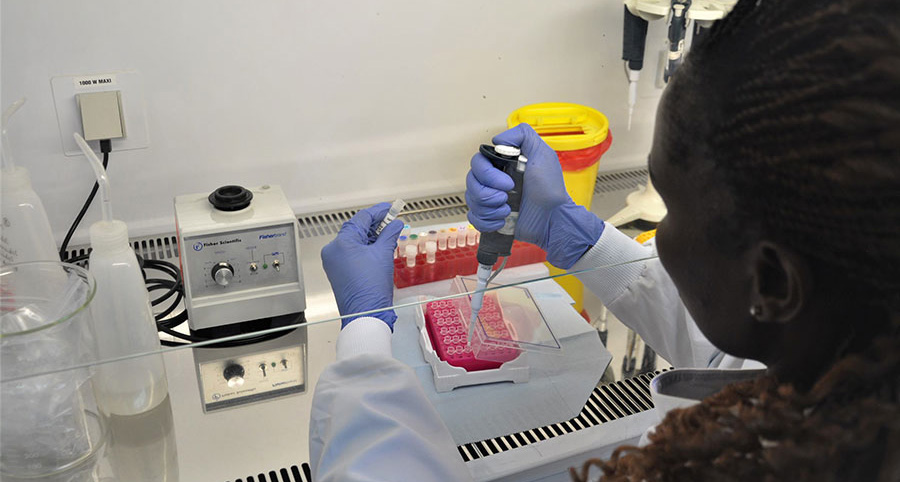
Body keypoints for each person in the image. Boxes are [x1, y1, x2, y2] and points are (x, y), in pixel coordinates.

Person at [310, 0, 899, 479]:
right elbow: (737, 352)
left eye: (668, 208)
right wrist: (569, 231)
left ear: (772, 279)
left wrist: (363, 333)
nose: (656, 234)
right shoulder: (849, 351)